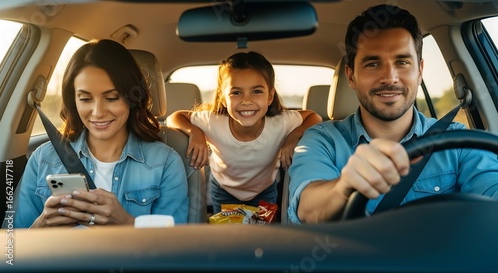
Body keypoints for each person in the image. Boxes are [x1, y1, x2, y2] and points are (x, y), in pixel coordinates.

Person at [288, 4, 498, 223]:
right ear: (351, 77)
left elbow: (491, 188)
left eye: (402, 62)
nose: (390, 77)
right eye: (373, 64)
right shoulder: (322, 140)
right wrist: (344, 187)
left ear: (420, 71)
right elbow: (308, 208)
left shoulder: (458, 141)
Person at [15, 39, 189, 228]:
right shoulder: (43, 160)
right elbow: (11, 251)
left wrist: (127, 224)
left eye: (111, 98)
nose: (97, 112)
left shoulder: (165, 163)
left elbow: (173, 249)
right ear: (73, 101)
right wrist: (41, 225)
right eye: (85, 99)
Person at [167, 51, 322, 213]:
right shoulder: (213, 121)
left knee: (260, 235)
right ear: (222, 98)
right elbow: (174, 117)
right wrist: (194, 132)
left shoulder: (281, 122)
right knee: (229, 236)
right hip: (224, 190)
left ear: (270, 96)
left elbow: (314, 117)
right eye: (236, 92)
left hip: (265, 190)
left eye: (256, 91)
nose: (246, 101)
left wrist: (294, 136)